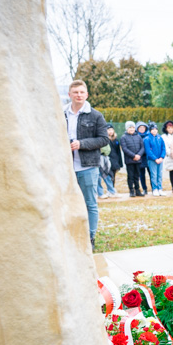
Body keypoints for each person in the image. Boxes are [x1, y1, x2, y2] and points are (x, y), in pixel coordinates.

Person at [64, 80, 110, 251]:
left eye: (82, 92)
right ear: (70, 95)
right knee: (67, 203)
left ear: (87, 95)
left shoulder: (96, 115)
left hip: (88, 166)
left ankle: (89, 237)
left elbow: (104, 139)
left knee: (90, 203)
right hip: (66, 168)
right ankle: (71, 235)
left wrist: (81, 144)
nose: (79, 95)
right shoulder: (62, 114)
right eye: (75, 92)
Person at [120, 120, 145, 197]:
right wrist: (133, 156)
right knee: (130, 176)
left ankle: (137, 190)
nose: (131, 129)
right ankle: (131, 190)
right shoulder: (123, 138)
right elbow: (124, 149)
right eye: (130, 128)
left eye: (133, 127)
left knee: (137, 176)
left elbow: (142, 147)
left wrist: (138, 155)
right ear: (127, 128)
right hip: (129, 160)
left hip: (138, 160)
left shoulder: (138, 136)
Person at [144, 123, 166, 196]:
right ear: (150, 130)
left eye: (155, 129)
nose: (154, 131)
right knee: (154, 174)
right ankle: (155, 189)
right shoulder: (147, 139)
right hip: (152, 160)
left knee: (159, 174)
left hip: (160, 159)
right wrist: (155, 158)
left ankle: (160, 188)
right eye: (152, 129)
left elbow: (163, 148)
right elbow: (148, 151)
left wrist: (162, 157)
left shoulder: (160, 138)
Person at [106, 126, 124, 194]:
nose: (110, 131)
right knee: (108, 176)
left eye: (111, 130)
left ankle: (112, 188)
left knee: (113, 176)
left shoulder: (116, 140)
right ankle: (109, 189)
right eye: (109, 130)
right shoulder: (105, 139)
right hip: (107, 160)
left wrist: (120, 163)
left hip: (115, 161)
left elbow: (118, 152)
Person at [162, 121, 173, 190]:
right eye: (168, 128)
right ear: (166, 129)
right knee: (172, 172)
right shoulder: (164, 137)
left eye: (171, 128)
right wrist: (172, 154)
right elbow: (166, 148)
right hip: (170, 157)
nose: (170, 129)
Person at [135, 121, 149, 195]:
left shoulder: (149, 135)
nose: (142, 129)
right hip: (140, 158)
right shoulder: (136, 136)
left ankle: (154, 188)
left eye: (143, 127)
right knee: (142, 175)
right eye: (140, 127)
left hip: (149, 158)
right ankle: (144, 188)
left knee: (152, 174)